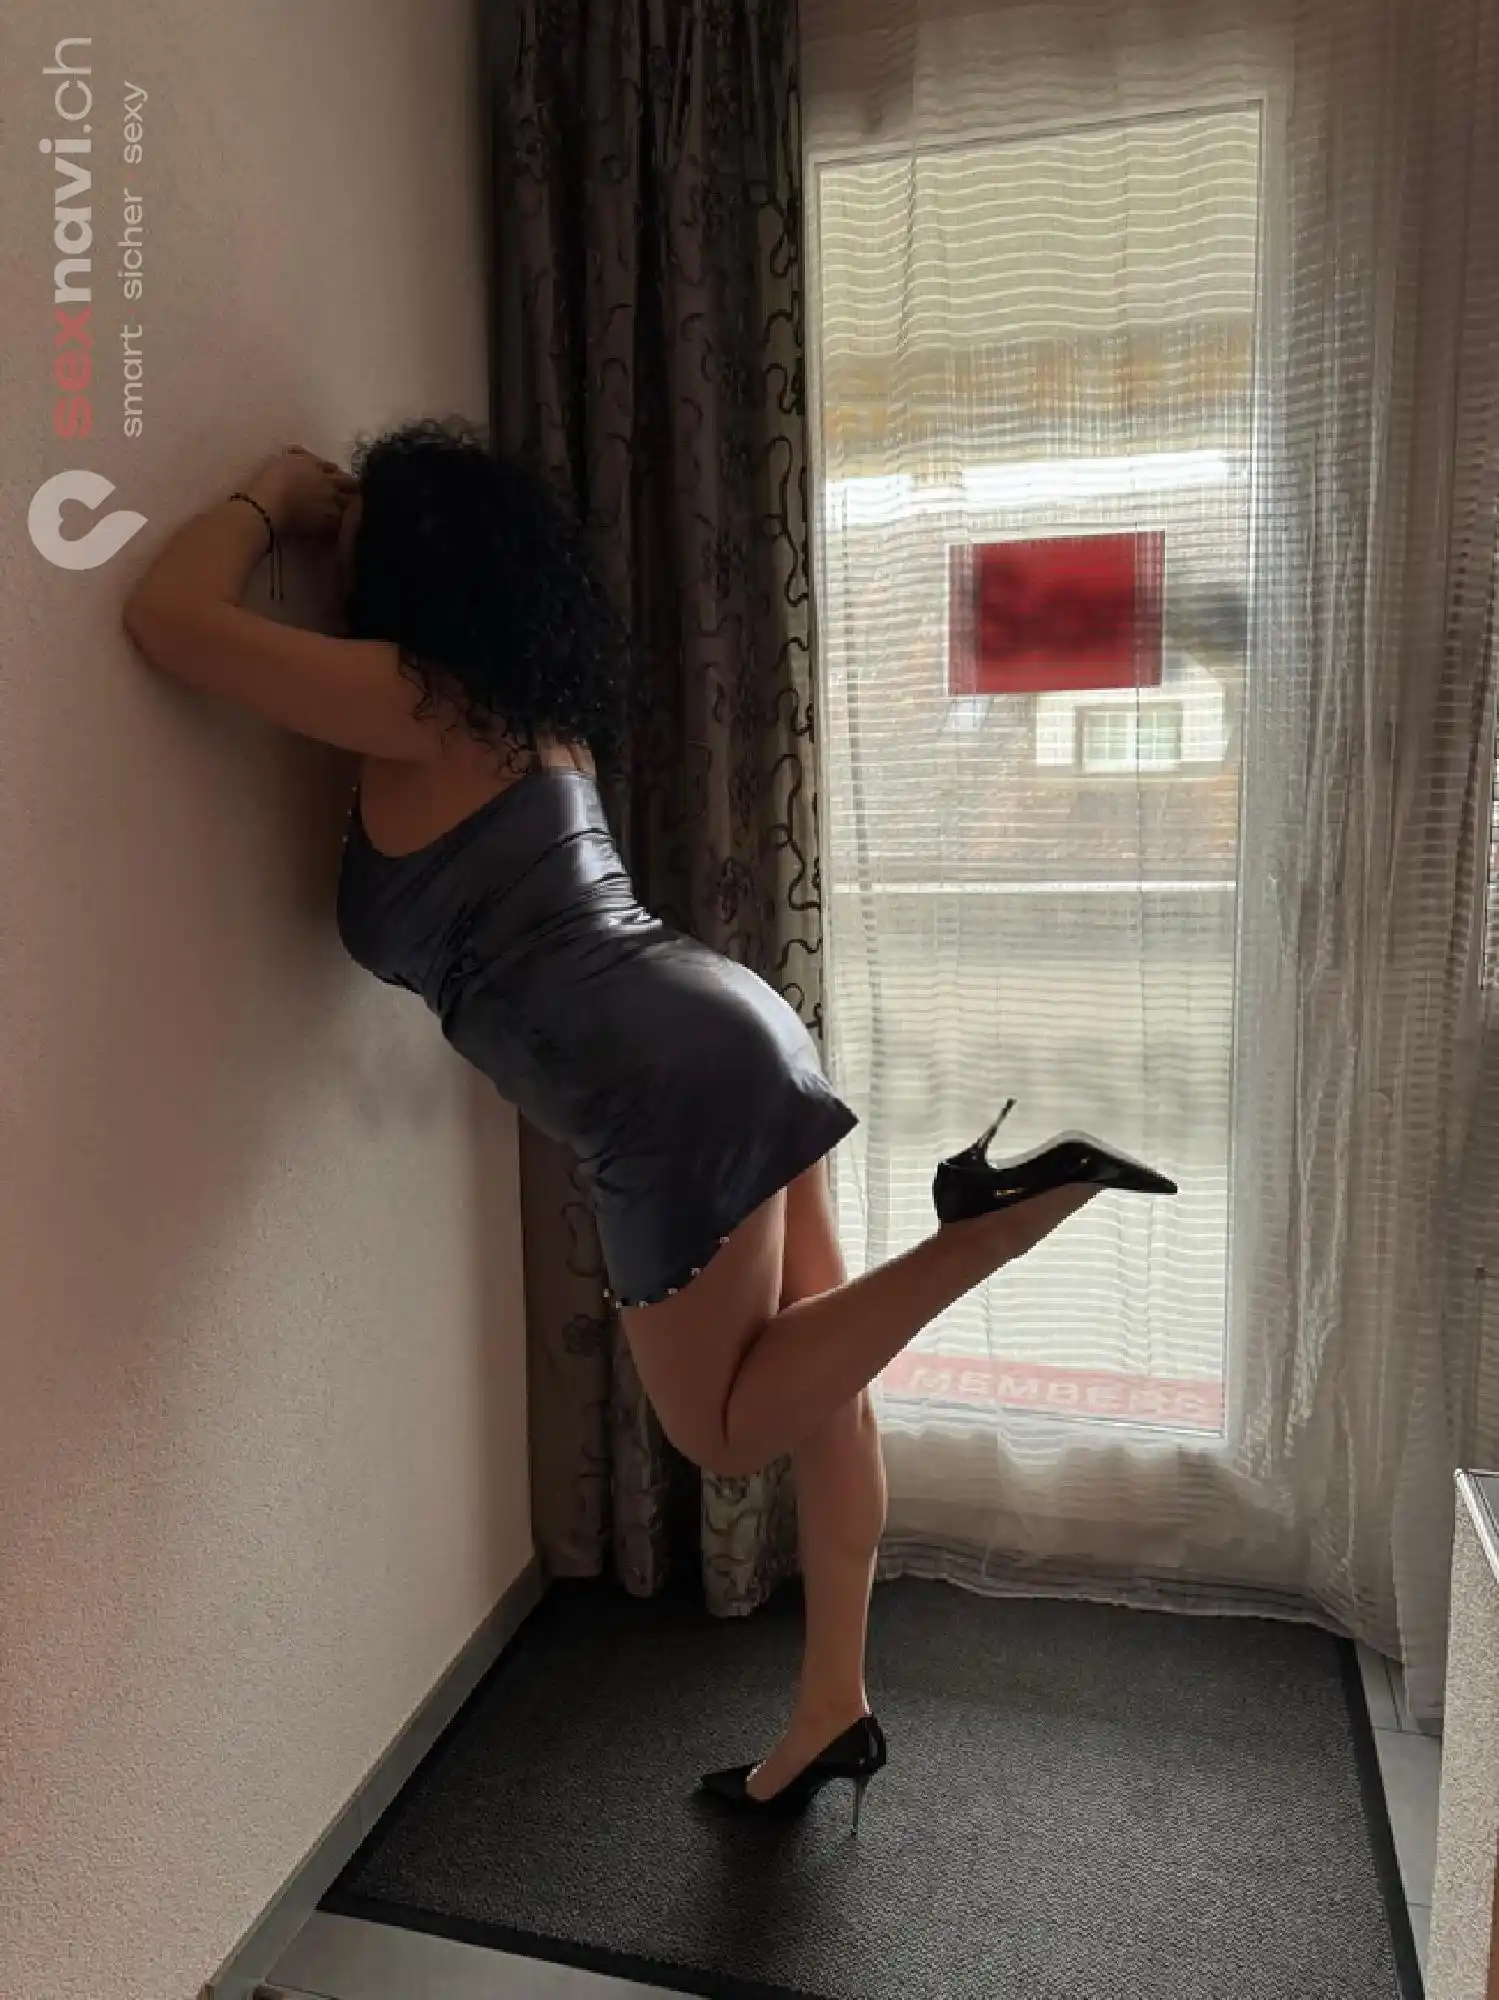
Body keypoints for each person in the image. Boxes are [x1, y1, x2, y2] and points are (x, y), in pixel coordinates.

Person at [122, 422, 1176, 1829]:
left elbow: (166, 618)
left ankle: (991, 1226)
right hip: (725, 1020)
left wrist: (269, 499)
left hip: (665, 1081)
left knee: (728, 1430)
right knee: (825, 1389)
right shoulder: (525, 714)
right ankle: (832, 1710)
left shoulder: (422, 698)